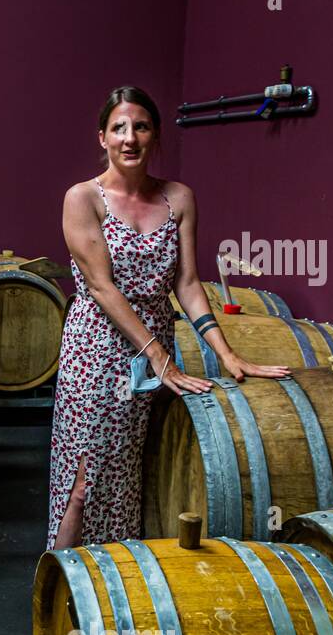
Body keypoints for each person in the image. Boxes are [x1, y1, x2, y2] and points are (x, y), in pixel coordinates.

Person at [46, 86, 291, 552]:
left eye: (140, 126)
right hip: (95, 352)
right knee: (85, 481)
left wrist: (227, 354)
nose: (129, 138)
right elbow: (101, 288)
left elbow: (188, 284)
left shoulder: (178, 197)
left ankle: (115, 586)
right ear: (102, 137)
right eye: (118, 128)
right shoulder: (82, 198)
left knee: (133, 476)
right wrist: (160, 357)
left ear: (155, 135)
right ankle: (60, 592)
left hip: (152, 352)